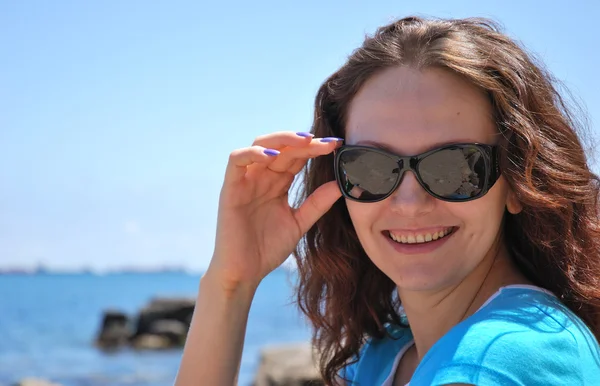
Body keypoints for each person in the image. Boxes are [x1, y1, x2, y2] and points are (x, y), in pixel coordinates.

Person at [175, 16, 600, 385]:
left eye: (455, 167)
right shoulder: (386, 355)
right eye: (372, 167)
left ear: (518, 183)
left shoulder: (507, 358)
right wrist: (230, 283)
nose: (409, 203)